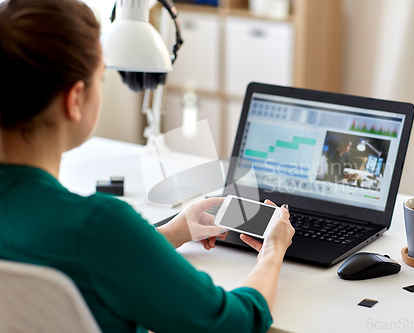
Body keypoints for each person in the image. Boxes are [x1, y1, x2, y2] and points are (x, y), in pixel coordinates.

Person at [0, 1, 294, 332]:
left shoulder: (80, 232)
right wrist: (273, 248)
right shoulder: (98, 225)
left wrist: (173, 232)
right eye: (102, 78)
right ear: (75, 99)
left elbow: (78, 256)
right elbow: (234, 324)